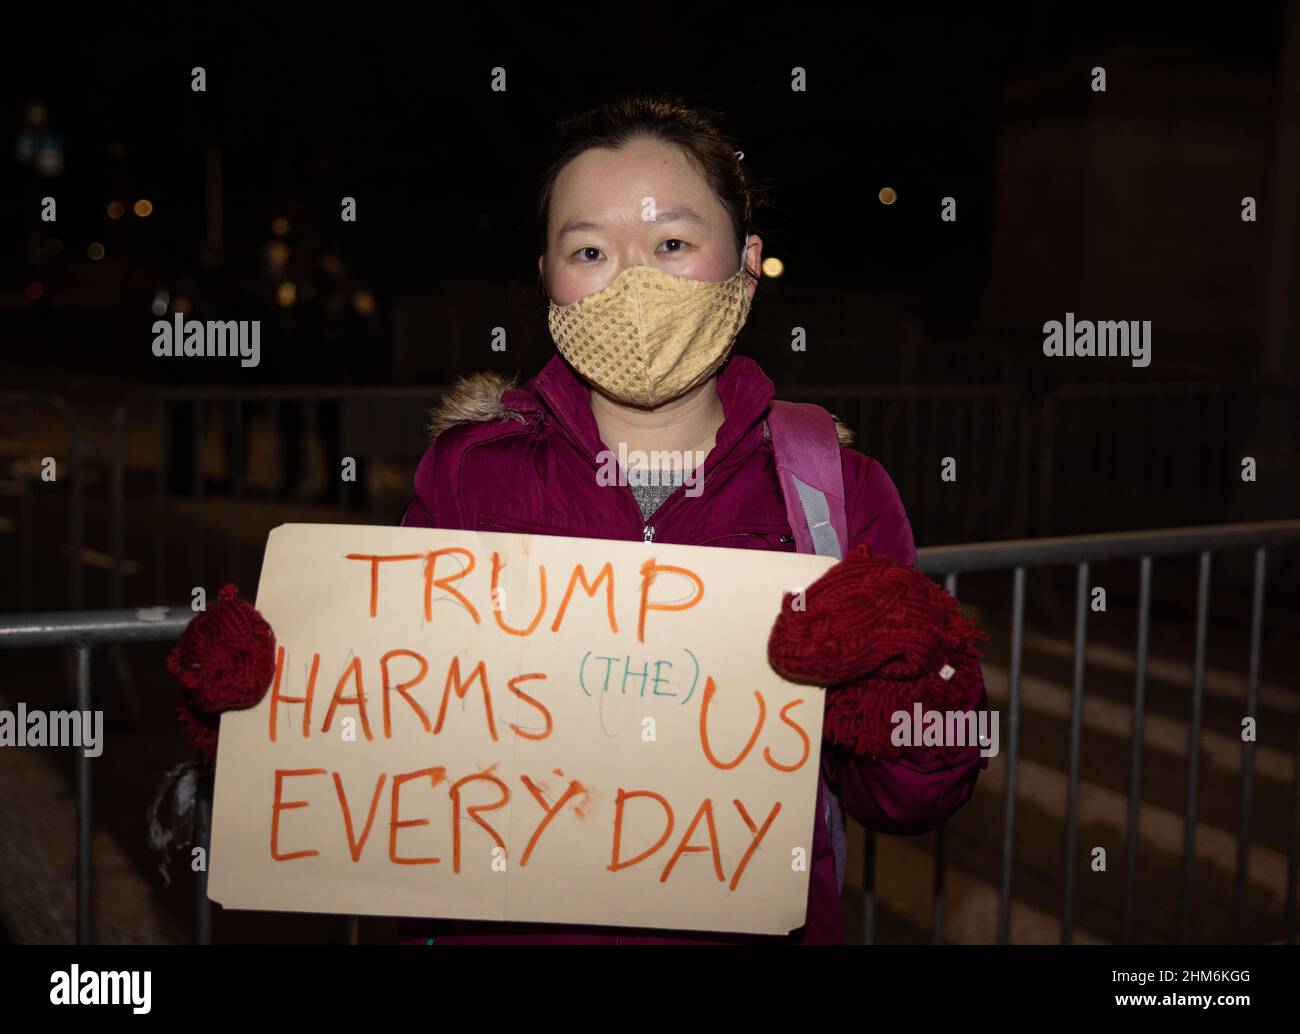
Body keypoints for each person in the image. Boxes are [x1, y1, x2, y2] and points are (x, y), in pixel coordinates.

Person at [170, 92, 990, 946]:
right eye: (590, 250)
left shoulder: (834, 494)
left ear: (746, 263)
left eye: (673, 243)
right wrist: (254, 710)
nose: (634, 284)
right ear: (548, 278)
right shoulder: (468, 477)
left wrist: (916, 669)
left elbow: (911, 796)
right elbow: (375, 750)